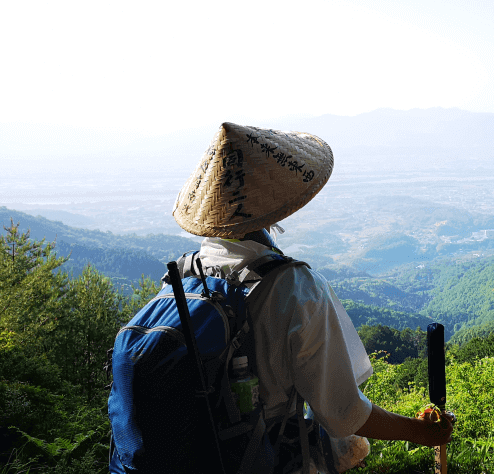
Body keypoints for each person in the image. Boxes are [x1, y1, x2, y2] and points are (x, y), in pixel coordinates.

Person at [172, 122, 453, 471]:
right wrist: (423, 433)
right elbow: (344, 413)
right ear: (276, 204)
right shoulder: (294, 288)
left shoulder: (184, 277)